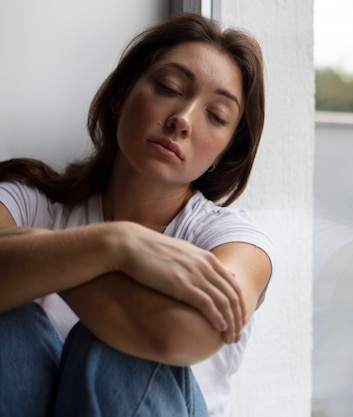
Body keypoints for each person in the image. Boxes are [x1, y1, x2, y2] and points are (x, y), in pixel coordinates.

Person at [0, 13, 273, 417]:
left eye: (215, 116)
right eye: (169, 88)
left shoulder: (233, 239)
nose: (182, 119)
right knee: (10, 321)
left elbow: (180, 334)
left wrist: (44, 263)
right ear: (120, 96)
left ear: (225, 153)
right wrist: (118, 245)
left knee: (116, 341)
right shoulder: (31, 203)